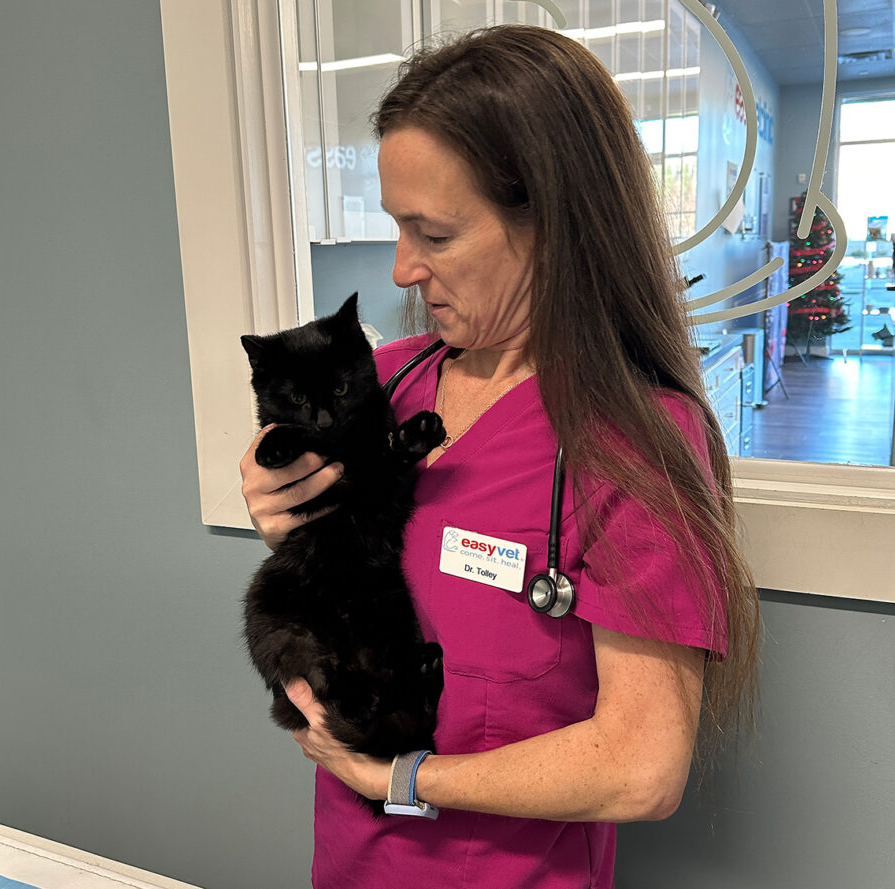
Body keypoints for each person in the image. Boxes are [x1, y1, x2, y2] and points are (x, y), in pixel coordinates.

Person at [239, 24, 760, 888]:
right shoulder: (385, 387)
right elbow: (354, 592)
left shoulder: (635, 442)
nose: (403, 269)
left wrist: (401, 778)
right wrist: (283, 517)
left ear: (553, 227)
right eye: (395, 227)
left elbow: (642, 762)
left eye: (434, 234)